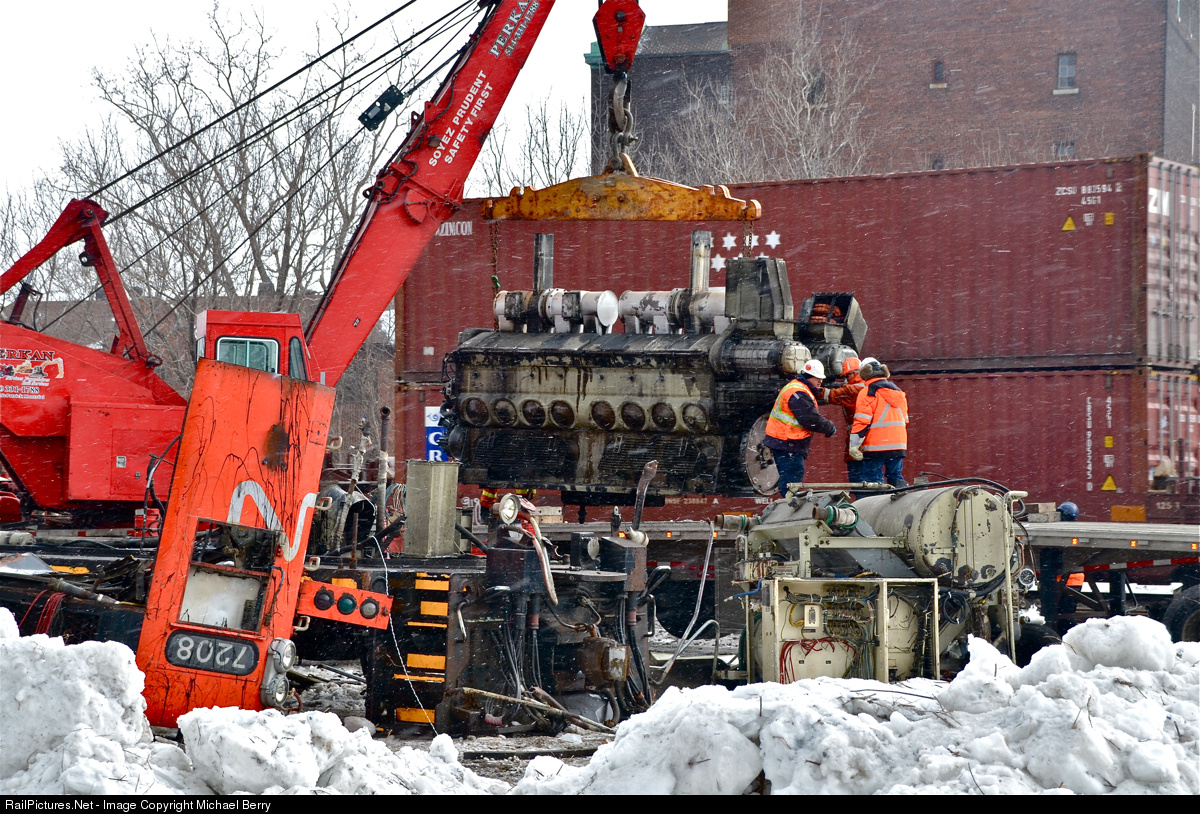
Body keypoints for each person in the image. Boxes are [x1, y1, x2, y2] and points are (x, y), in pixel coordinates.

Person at [765, 359, 837, 497]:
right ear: (809, 377)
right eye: (817, 378)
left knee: (792, 475)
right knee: (793, 476)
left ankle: (790, 499)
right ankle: (790, 502)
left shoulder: (796, 388)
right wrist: (829, 427)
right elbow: (810, 419)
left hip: (784, 440)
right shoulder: (799, 393)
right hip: (787, 441)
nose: (820, 381)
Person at [848, 360, 909, 487]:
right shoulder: (899, 393)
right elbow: (905, 420)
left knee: (874, 480)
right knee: (895, 476)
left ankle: (878, 499)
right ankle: (900, 495)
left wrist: (854, 445)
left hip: (875, 446)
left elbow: (862, 421)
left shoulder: (867, 392)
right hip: (898, 444)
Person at [815, 355, 871, 483]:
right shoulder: (868, 386)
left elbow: (832, 395)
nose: (845, 379)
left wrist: (811, 389)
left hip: (859, 438)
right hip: (870, 440)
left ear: (854, 373)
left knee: (858, 475)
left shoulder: (854, 389)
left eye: (847, 376)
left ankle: (861, 494)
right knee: (870, 475)